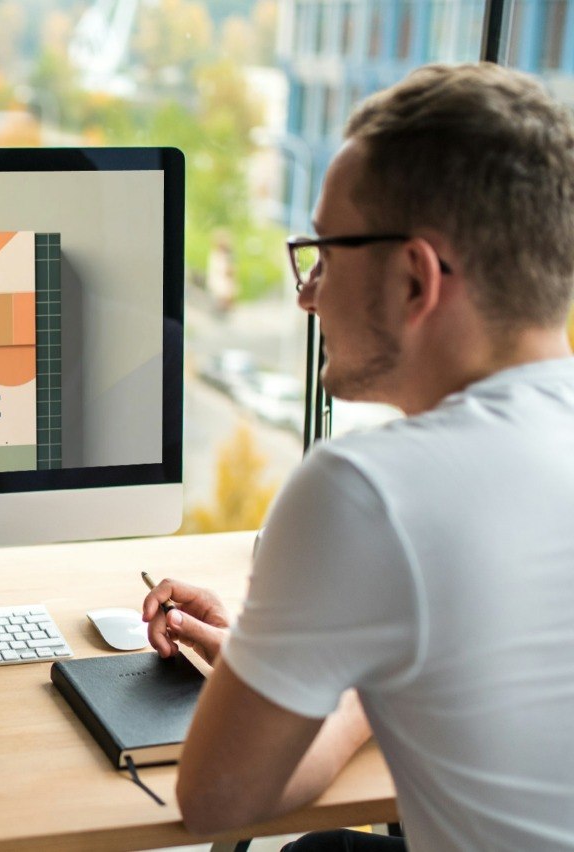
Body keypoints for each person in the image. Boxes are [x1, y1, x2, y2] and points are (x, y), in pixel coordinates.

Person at [142, 63, 574, 850]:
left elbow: (216, 801)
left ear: (415, 277)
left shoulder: (367, 490)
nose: (308, 294)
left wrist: (329, 666)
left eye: (326, 254)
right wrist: (308, 652)